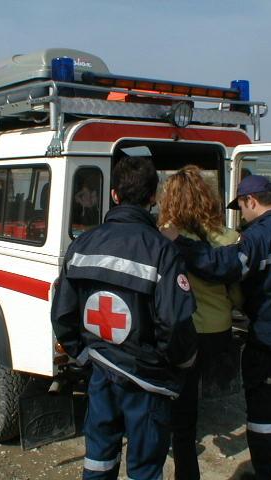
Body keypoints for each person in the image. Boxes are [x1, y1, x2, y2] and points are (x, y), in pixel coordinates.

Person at [161, 175, 271, 480]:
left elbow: (222, 267)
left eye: (243, 207)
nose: (243, 215)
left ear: (251, 201)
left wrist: (179, 242)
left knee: (266, 421)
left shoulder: (258, 236)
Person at [52, 156, 198, 480]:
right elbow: (175, 324)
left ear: (114, 195)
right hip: (147, 383)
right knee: (144, 471)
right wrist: (178, 365)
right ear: (153, 198)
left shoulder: (82, 245)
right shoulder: (163, 251)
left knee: (98, 463)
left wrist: (85, 356)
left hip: (100, 374)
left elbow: (62, 315)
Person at [157, 165, 242, 480]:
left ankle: (186, 473)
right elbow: (238, 293)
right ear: (207, 197)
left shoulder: (164, 236)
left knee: (183, 415)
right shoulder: (230, 237)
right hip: (218, 332)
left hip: (183, 332)